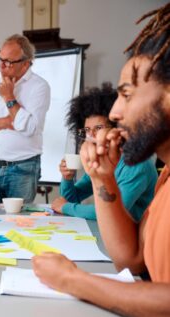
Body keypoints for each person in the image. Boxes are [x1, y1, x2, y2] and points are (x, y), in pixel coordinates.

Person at [33, 3, 170, 317]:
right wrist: (101, 178)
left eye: (126, 95)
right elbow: (132, 260)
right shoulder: (166, 176)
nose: (117, 113)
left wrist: (72, 280)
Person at [51, 83, 157, 221]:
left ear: (117, 127)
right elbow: (72, 198)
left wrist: (65, 208)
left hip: (138, 236)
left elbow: (112, 212)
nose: (91, 136)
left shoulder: (137, 164)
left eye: (98, 128)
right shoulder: (102, 159)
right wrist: (67, 178)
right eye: (87, 130)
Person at [0, 34, 50, 204]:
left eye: (8, 62)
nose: (1, 66)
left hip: (23, 168)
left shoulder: (39, 86)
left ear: (25, 63)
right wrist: (8, 122)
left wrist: (9, 98)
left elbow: (30, 127)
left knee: (19, 221)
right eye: (0, 59)